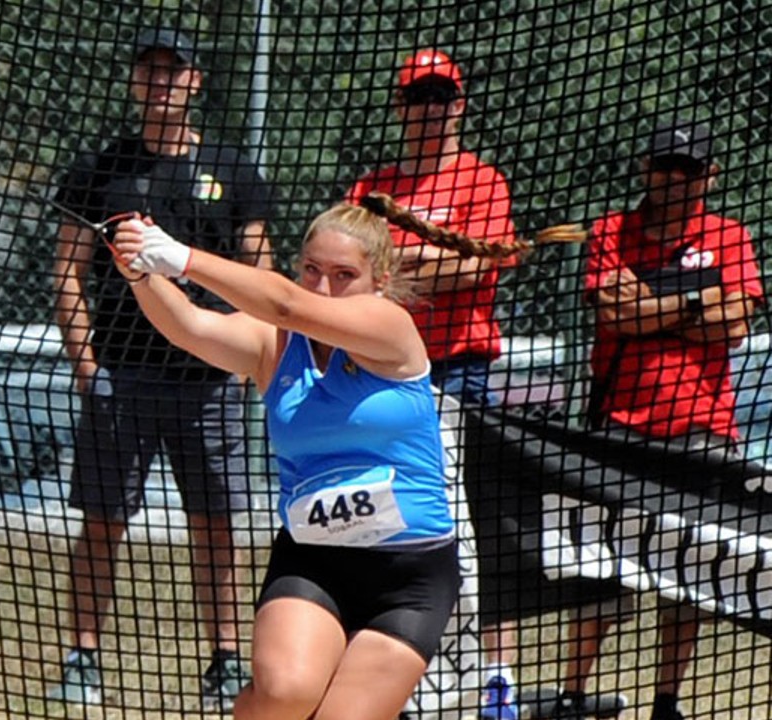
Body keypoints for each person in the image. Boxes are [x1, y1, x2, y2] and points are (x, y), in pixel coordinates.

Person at [107, 200, 484, 720]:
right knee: (284, 696)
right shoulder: (277, 344)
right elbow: (191, 326)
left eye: (343, 275)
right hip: (313, 559)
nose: (323, 287)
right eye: (311, 270)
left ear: (381, 278)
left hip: (409, 575)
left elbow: (284, 303)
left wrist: (179, 256)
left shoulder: (389, 326)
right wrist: (141, 273)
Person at [48, 26, 274, 710]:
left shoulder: (233, 171)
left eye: (173, 71)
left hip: (210, 376)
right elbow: (67, 269)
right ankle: (83, 655)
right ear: (134, 82)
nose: (160, 82)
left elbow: (258, 268)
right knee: (103, 519)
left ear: (195, 82)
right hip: (123, 371)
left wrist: (246, 358)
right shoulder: (99, 168)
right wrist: (86, 363)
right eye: (148, 70)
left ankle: (226, 658)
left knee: (217, 521)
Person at [563, 119, 763, 720]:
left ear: (709, 176)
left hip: (704, 427)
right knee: (601, 569)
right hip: (619, 423)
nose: (674, 180)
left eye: (689, 169)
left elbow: (735, 324)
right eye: (664, 166)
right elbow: (612, 317)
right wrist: (697, 301)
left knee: (691, 571)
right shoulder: (610, 231)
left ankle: (667, 701)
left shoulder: (730, 235)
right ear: (646, 168)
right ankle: (574, 692)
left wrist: (654, 302)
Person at [346, 48, 523, 719]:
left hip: (460, 372)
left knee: (475, 528)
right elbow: (349, 267)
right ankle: (394, 667)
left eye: (442, 96)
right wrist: (437, 257)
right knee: (391, 526)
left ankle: (495, 679)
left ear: (460, 104)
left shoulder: (483, 181)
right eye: (418, 97)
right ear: (401, 107)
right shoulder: (373, 188)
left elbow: (478, 269)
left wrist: (400, 263)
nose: (432, 109)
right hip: (383, 375)